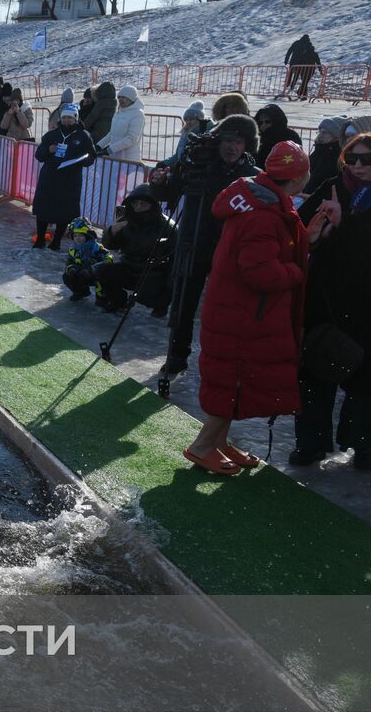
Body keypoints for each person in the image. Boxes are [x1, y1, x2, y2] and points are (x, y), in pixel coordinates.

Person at [184, 141, 324, 474]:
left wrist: (307, 238)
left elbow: (272, 246)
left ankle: (218, 443)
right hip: (245, 314)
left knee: (237, 380)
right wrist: (297, 270)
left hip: (241, 310)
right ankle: (203, 445)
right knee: (233, 380)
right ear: (300, 177)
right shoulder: (264, 212)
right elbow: (260, 271)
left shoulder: (263, 200)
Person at [150, 114, 260, 376]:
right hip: (193, 242)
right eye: (227, 140)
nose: (232, 147)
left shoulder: (254, 176)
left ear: (248, 145)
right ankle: (177, 355)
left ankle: (223, 360)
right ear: (217, 141)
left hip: (230, 251)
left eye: (239, 142)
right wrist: (159, 184)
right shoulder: (199, 166)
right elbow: (169, 193)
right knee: (183, 303)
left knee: (226, 308)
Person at [293, 134, 371, 468]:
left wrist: (348, 223)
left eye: (366, 160)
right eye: (351, 158)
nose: (357, 166)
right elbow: (299, 230)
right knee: (315, 371)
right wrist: (315, 236)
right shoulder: (332, 185)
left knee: (366, 379)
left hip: (366, 301)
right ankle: (311, 443)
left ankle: (363, 446)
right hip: (326, 297)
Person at [95, 185, 176, 312]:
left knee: (145, 296)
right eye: (135, 203)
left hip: (153, 274)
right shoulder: (127, 219)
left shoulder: (167, 226)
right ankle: (119, 301)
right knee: (102, 271)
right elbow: (110, 245)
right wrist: (111, 232)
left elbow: (174, 260)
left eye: (143, 204)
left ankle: (160, 305)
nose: (138, 208)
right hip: (129, 267)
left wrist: (169, 286)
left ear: (153, 205)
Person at [32, 103, 98, 249]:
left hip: (70, 180)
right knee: (44, 208)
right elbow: (39, 155)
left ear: (75, 119)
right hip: (50, 177)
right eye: (64, 117)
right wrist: (48, 149)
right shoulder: (52, 134)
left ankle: (57, 241)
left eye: (70, 118)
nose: (67, 120)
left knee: (65, 211)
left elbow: (92, 156)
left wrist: (80, 161)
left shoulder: (83, 136)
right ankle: (40, 239)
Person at [61, 217, 114, 305]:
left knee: (102, 281)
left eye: (81, 235)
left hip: (96, 275)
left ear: (88, 235)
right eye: (75, 235)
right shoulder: (73, 250)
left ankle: (102, 297)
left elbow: (109, 258)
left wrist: (93, 268)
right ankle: (81, 292)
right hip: (83, 274)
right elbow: (69, 262)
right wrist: (71, 268)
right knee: (67, 276)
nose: (78, 238)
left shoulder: (96, 247)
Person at [156, 102, 212, 170]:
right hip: (182, 170)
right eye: (186, 119)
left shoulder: (204, 135)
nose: (188, 122)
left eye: (191, 119)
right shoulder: (186, 132)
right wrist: (165, 163)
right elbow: (178, 156)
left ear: (199, 118)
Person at [97, 85, 145, 162]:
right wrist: (99, 145)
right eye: (119, 97)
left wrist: (110, 150)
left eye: (124, 97)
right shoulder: (119, 112)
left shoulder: (138, 114)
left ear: (131, 98)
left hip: (129, 160)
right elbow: (111, 133)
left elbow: (131, 139)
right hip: (115, 157)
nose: (120, 99)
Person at [307, 118, 347, 195]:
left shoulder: (338, 157)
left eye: (324, 133)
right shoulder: (319, 150)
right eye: (319, 132)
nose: (320, 135)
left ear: (336, 136)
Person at [254, 104, 302, 168]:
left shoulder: (290, 136)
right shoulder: (259, 137)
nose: (263, 125)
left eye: (267, 122)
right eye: (260, 123)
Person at [283, 35, 321, 100]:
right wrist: (320, 70)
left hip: (296, 63)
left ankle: (290, 86)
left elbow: (290, 51)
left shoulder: (297, 44)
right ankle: (300, 92)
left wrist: (286, 60)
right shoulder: (309, 48)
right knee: (304, 81)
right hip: (305, 67)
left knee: (293, 75)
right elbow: (318, 62)